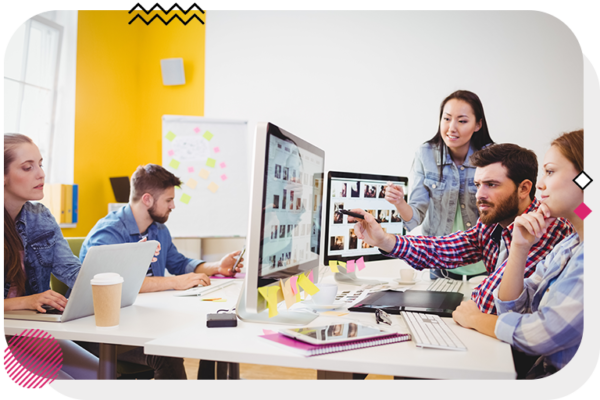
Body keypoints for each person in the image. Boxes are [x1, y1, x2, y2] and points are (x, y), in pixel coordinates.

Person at [349, 143, 573, 315]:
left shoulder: (546, 228)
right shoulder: (492, 223)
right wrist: (385, 240)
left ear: (524, 188)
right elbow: (445, 248)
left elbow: (488, 302)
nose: (479, 195)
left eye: (491, 185)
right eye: (477, 185)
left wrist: (469, 309)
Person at [78, 163, 244, 379]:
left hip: (142, 319)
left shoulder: (158, 229)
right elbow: (120, 285)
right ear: (147, 199)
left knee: (214, 330)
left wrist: (218, 267)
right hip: (104, 333)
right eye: (168, 200)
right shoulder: (108, 234)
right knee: (166, 354)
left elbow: (179, 264)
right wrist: (174, 282)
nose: (173, 205)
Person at [452, 130, 584, 379]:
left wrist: (477, 319)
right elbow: (512, 309)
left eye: (551, 171)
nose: (541, 184)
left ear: (587, 179)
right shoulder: (570, 245)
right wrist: (519, 248)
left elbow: (541, 335)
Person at [3, 133, 98, 379]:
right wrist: (25, 301)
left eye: (41, 164)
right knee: (66, 385)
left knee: (101, 374)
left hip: (28, 331)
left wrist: (109, 285)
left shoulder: (40, 216)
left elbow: (72, 272)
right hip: (8, 334)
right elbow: (28, 300)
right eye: (28, 167)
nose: (40, 174)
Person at [385, 90, 493, 281]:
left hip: (484, 266)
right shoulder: (425, 154)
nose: (452, 128)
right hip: (440, 267)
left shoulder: (491, 158)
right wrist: (400, 202)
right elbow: (415, 218)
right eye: (447, 119)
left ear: (478, 125)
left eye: (462, 121)